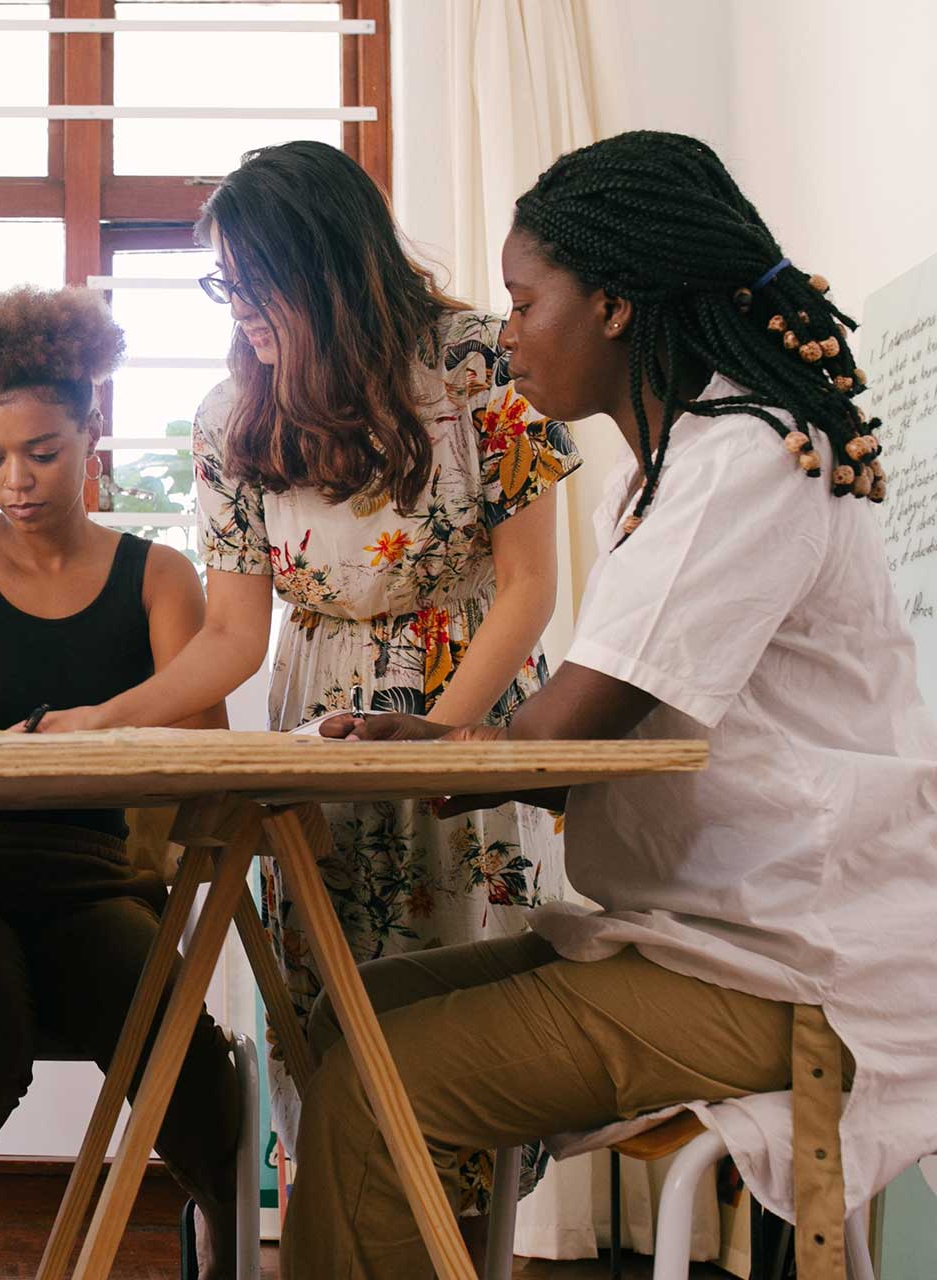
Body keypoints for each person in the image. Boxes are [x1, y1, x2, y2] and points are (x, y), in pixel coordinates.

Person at [297, 130, 937, 1279]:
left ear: (614, 305)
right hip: (712, 933)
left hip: (800, 965)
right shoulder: (673, 469)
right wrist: (444, 741)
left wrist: (443, 746)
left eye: (524, 302)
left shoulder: (742, 460)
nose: (507, 333)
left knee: (383, 1080)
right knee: (348, 1016)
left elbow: (559, 738)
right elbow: (589, 744)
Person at [30, 141, 581, 1213]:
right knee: (328, 1012)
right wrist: (104, 718)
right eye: (223, 285)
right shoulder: (231, 418)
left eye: (255, 283)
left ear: (328, 266)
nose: (238, 310)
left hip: (467, 711)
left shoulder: (479, 362)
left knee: (478, 1029)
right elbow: (232, 635)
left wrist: (437, 742)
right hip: (320, 728)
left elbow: (527, 587)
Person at [0, 286, 240, 1279]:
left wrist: (11, 763)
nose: (17, 481)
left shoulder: (157, 576)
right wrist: (44, 750)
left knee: (183, 1054)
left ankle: (219, 1230)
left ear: (91, 431)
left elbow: (202, 749)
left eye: (41, 451)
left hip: (93, 886)